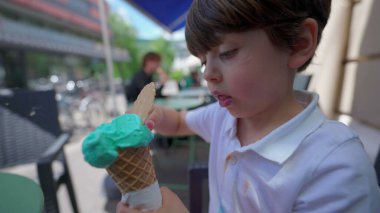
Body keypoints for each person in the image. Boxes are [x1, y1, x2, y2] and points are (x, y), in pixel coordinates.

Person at [118, 0, 380, 212]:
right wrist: (157, 114)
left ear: (299, 43)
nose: (208, 73)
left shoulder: (335, 169)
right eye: (202, 61)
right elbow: (180, 122)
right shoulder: (223, 117)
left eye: (227, 53)